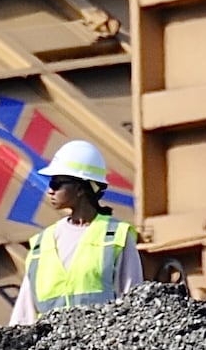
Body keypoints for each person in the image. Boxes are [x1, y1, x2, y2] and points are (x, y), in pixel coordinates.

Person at [8, 139, 143, 325]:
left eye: (57, 183)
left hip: (103, 349)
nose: (50, 190)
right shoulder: (42, 243)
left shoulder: (116, 236)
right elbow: (24, 315)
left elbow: (135, 304)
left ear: (80, 188)